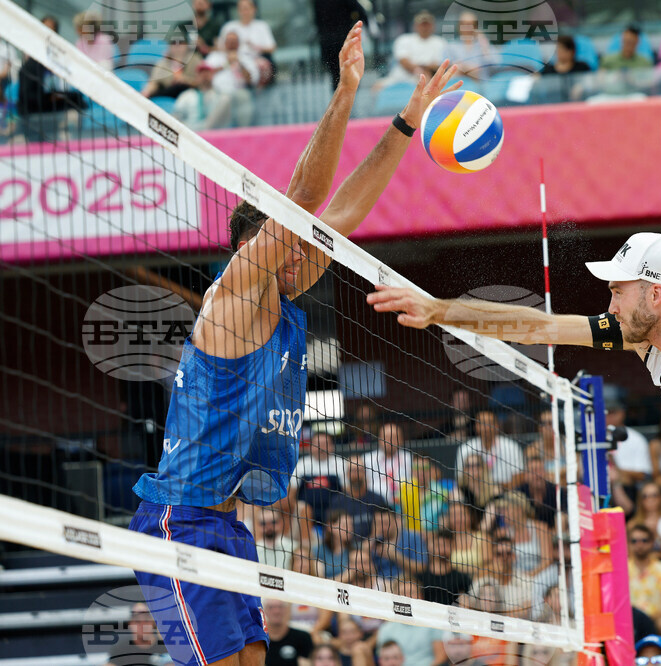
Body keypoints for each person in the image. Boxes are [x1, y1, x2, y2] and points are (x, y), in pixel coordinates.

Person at [127, 27, 462, 665]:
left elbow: (347, 210)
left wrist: (404, 122)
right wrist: (345, 91)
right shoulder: (239, 295)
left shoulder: (281, 290)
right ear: (262, 249)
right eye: (298, 247)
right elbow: (307, 200)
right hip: (181, 520)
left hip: (225, 522)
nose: (310, 259)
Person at [368, 230, 661, 665]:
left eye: (618, 290)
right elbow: (540, 327)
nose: (611, 303)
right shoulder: (647, 338)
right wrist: (438, 310)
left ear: (654, 293)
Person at [375, 581, 445, 666]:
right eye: (403, 593)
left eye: (411, 593)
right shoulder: (386, 629)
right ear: (395, 598)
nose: (407, 597)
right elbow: (383, 661)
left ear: (420, 596)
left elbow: (440, 657)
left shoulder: (432, 623)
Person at [627, 524, 661, 637]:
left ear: (652, 543)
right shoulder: (621, 570)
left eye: (644, 540)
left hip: (656, 621)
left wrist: (645, 619)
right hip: (628, 621)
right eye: (634, 541)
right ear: (628, 544)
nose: (639, 545)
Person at [454, 410, 525, 488]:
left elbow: (520, 476)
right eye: (482, 423)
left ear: (497, 426)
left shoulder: (511, 447)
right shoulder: (465, 449)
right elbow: (460, 478)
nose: (486, 427)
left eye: (490, 423)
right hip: (474, 494)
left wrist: (499, 489)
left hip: (505, 494)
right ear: (476, 426)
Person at [380, 12, 447, 87]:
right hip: (399, 78)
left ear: (433, 26)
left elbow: (439, 65)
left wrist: (422, 72)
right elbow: (403, 61)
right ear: (415, 26)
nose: (425, 27)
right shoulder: (404, 39)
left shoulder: (440, 42)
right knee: (378, 87)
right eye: (422, 25)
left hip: (428, 79)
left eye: (427, 25)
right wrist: (420, 69)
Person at [220, 0, 277, 84]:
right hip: (234, 59)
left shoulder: (262, 26)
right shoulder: (229, 27)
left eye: (247, 8)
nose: (244, 12)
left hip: (256, 59)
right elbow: (220, 46)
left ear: (254, 9)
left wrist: (257, 47)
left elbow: (272, 47)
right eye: (241, 9)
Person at [628, 481, 661, 564]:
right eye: (645, 496)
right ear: (640, 500)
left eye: (654, 495)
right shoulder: (632, 524)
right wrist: (658, 554)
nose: (650, 499)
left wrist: (655, 534)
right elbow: (630, 555)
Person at [172, 60, 236, 130]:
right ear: (196, 77)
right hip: (191, 132)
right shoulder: (186, 96)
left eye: (207, 73)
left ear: (212, 75)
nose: (204, 75)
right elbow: (177, 116)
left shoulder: (221, 96)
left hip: (214, 133)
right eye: (201, 73)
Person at [363, 422, 414, 504]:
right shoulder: (367, 459)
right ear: (379, 439)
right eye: (386, 437)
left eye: (394, 437)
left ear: (401, 440)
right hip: (376, 506)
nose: (390, 441)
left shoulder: (409, 458)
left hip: (404, 504)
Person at [418, 529, 472, 606]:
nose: (442, 549)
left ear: (453, 547)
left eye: (446, 545)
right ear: (431, 547)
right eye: (438, 545)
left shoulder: (462, 579)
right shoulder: (420, 577)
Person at [607, 397, 652, 486]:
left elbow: (643, 474)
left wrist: (617, 471)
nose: (607, 416)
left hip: (628, 487)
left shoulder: (636, 439)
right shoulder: (593, 438)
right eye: (605, 413)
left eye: (612, 412)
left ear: (622, 413)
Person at [444, 12, 496, 81]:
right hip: (458, 82)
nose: (467, 28)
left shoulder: (483, 44)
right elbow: (445, 67)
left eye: (470, 24)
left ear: (475, 27)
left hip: (480, 83)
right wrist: (466, 68)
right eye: (464, 24)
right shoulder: (451, 46)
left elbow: (494, 66)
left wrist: (484, 44)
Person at [264, 599, 314, 666]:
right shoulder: (259, 640)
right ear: (264, 611)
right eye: (271, 607)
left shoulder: (303, 637)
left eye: (280, 607)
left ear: (287, 610)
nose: (276, 611)